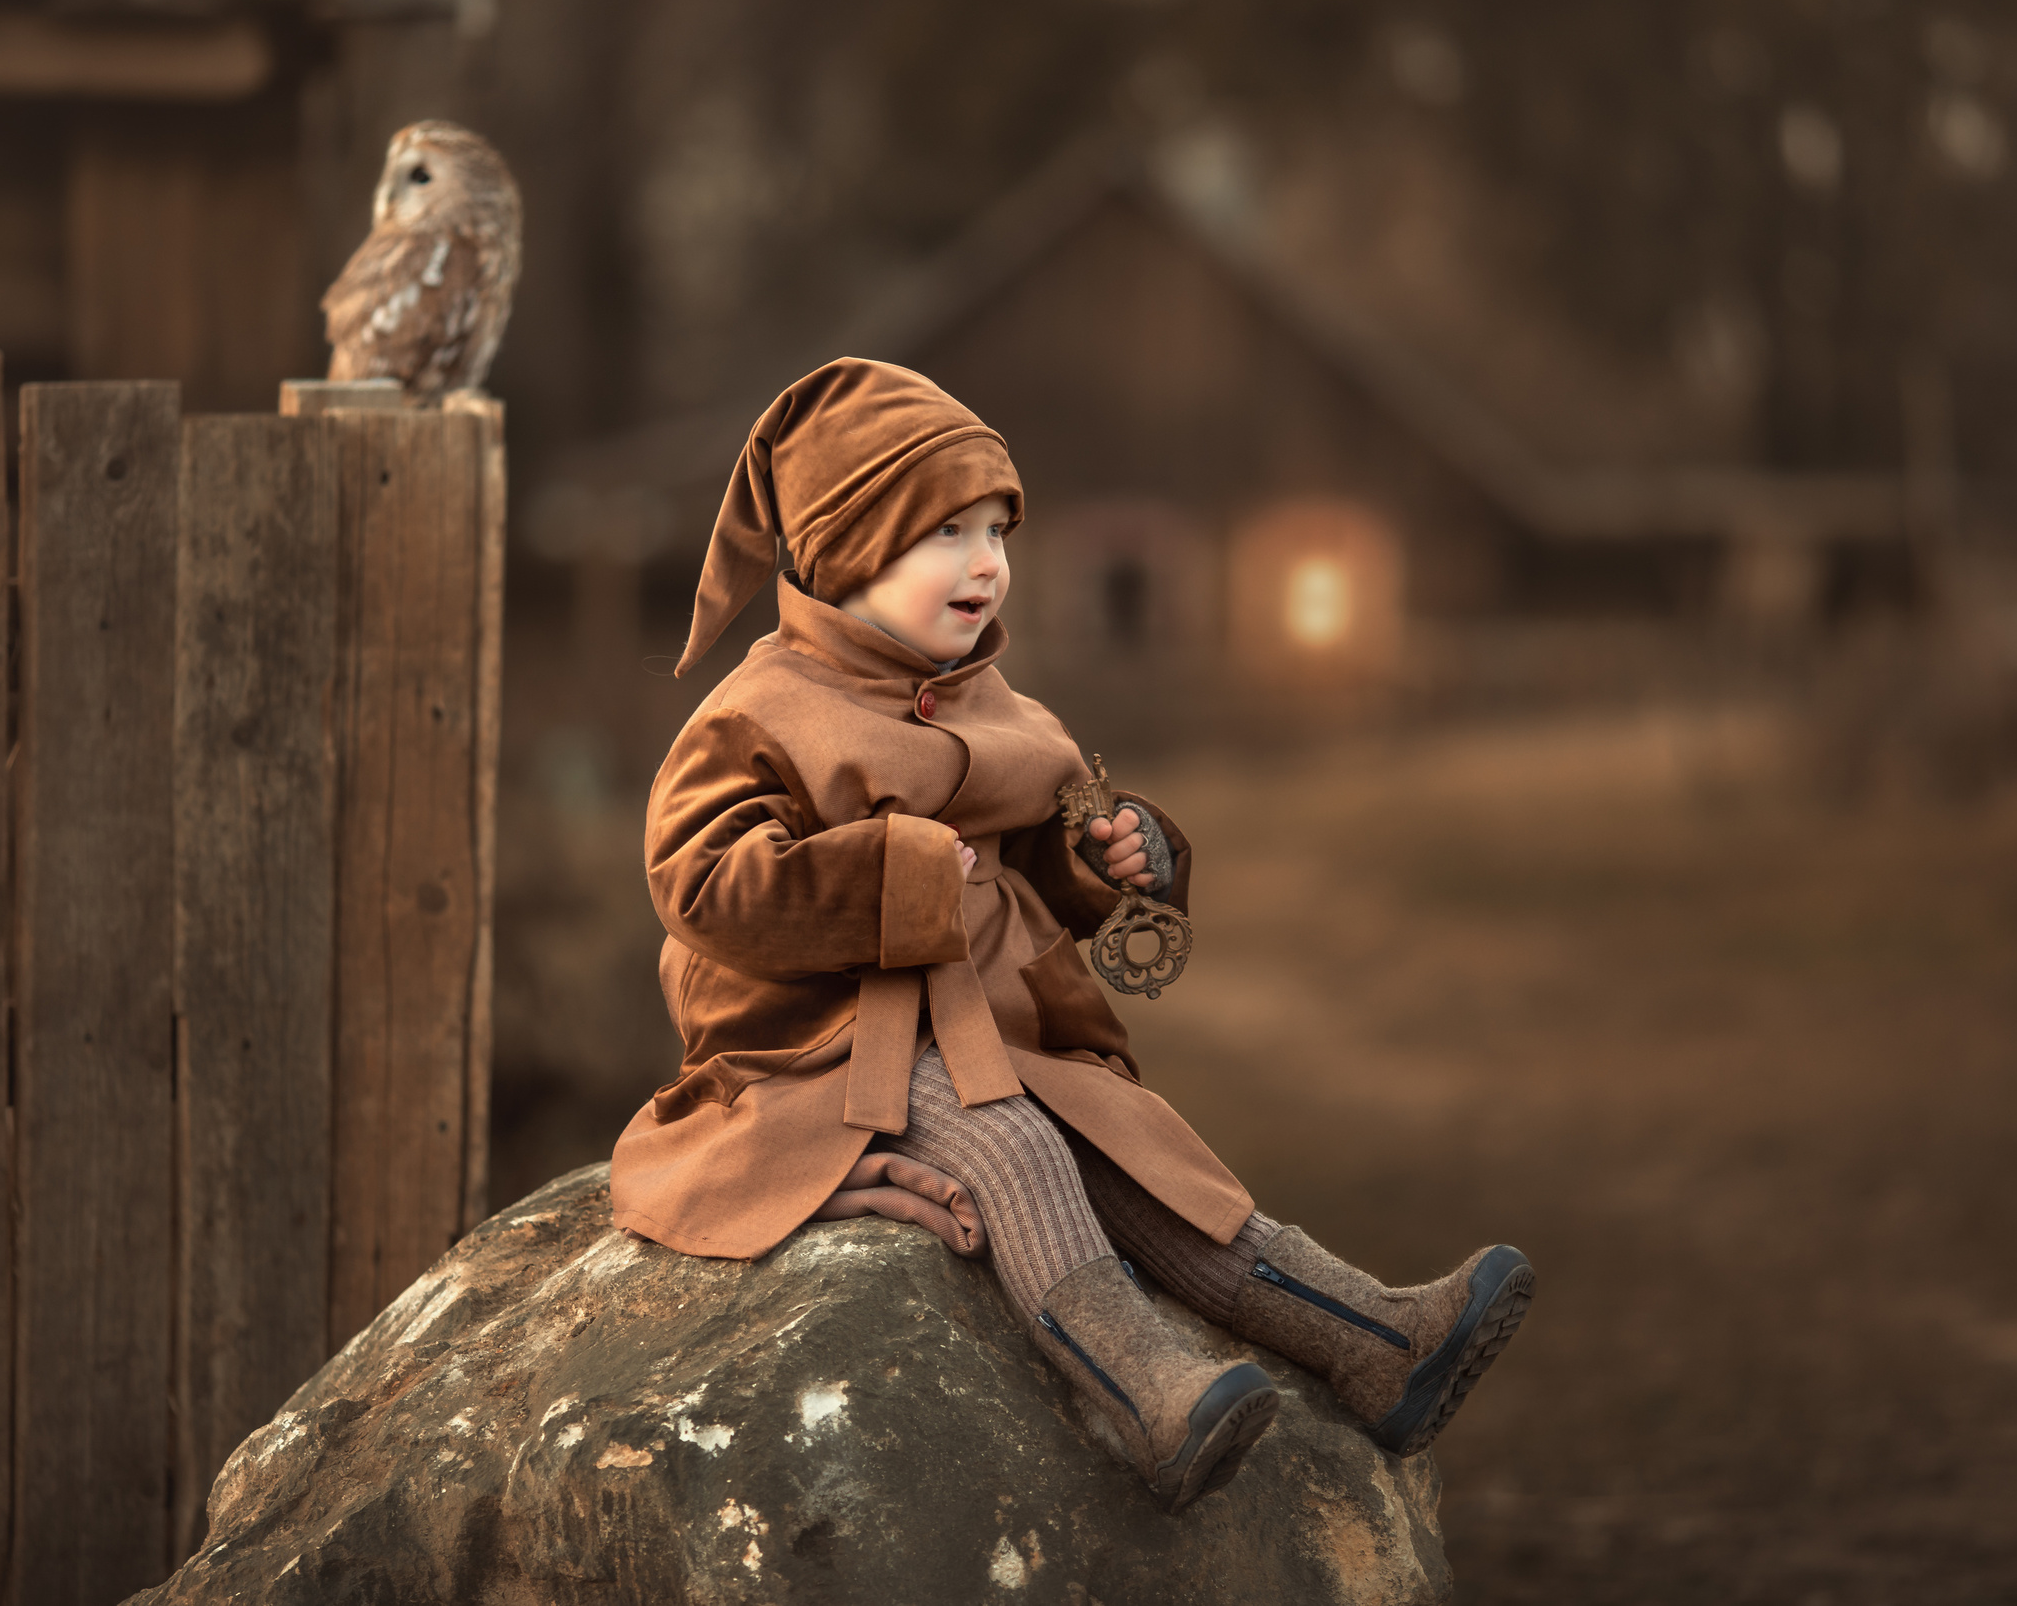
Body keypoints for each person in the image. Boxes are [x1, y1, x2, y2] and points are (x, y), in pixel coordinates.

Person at [610, 358, 1533, 1513]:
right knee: (1015, 1150)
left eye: (997, 530)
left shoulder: (999, 705)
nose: (986, 563)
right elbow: (702, 883)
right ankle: (1143, 1392)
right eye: (946, 532)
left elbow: (1038, 855)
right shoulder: (758, 715)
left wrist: (1108, 857)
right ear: (848, 546)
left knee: (1139, 1158)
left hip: (995, 1028)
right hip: (827, 1047)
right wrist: (889, 876)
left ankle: (1376, 1339)